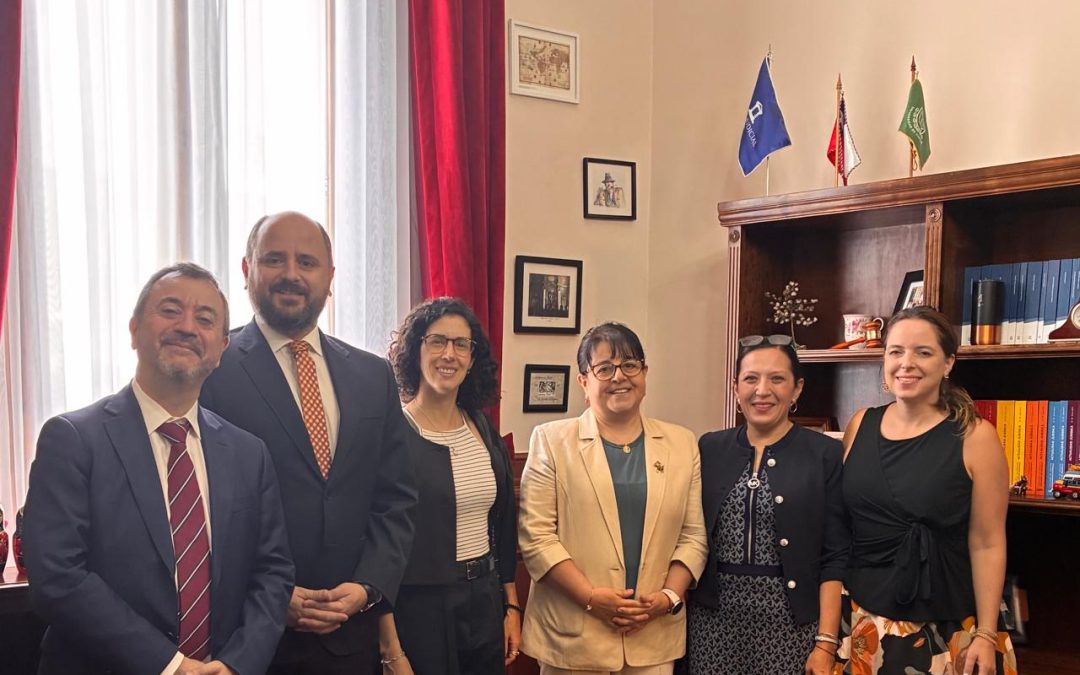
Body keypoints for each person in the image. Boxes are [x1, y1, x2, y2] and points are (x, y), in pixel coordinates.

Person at [24, 263, 294, 675]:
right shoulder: (73, 439)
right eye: (170, 310)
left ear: (222, 348)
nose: (187, 327)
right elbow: (58, 577)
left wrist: (237, 664)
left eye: (205, 319)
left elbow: (272, 573)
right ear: (134, 330)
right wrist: (171, 666)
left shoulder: (249, 454)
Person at [200, 212, 418, 674]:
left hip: (349, 635)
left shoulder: (371, 375)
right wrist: (269, 594)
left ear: (331, 277)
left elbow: (395, 498)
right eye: (274, 259)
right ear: (246, 271)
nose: (292, 274)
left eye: (308, 262)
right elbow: (196, 511)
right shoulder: (210, 370)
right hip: (245, 641)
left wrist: (367, 586)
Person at [518, 322, 708, 674]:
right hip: (573, 635)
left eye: (630, 365)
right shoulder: (551, 441)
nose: (619, 376)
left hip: (652, 634)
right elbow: (537, 538)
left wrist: (666, 599)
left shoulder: (683, 444)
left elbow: (693, 536)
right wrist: (591, 598)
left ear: (645, 373)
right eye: (604, 368)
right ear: (583, 382)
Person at [838, 306, 1015, 675]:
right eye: (896, 351)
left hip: (947, 626)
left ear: (948, 362)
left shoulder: (975, 436)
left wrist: (986, 633)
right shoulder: (859, 424)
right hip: (860, 620)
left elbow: (988, 542)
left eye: (923, 352)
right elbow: (841, 527)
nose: (907, 363)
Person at [687, 334, 848, 675]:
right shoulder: (709, 448)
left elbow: (835, 555)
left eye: (777, 379)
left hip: (790, 624)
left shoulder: (825, 454)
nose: (762, 390)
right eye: (751, 378)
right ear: (735, 387)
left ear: (797, 389)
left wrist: (826, 642)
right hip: (713, 623)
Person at [377, 297, 520, 673]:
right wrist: (390, 649)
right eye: (437, 341)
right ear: (415, 350)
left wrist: (511, 605)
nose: (449, 354)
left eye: (461, 344)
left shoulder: (482, 428)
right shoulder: (394, 434)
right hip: (419, 608)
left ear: (472, 359)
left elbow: (503, 524)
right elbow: (378, 547)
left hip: (484, 600)